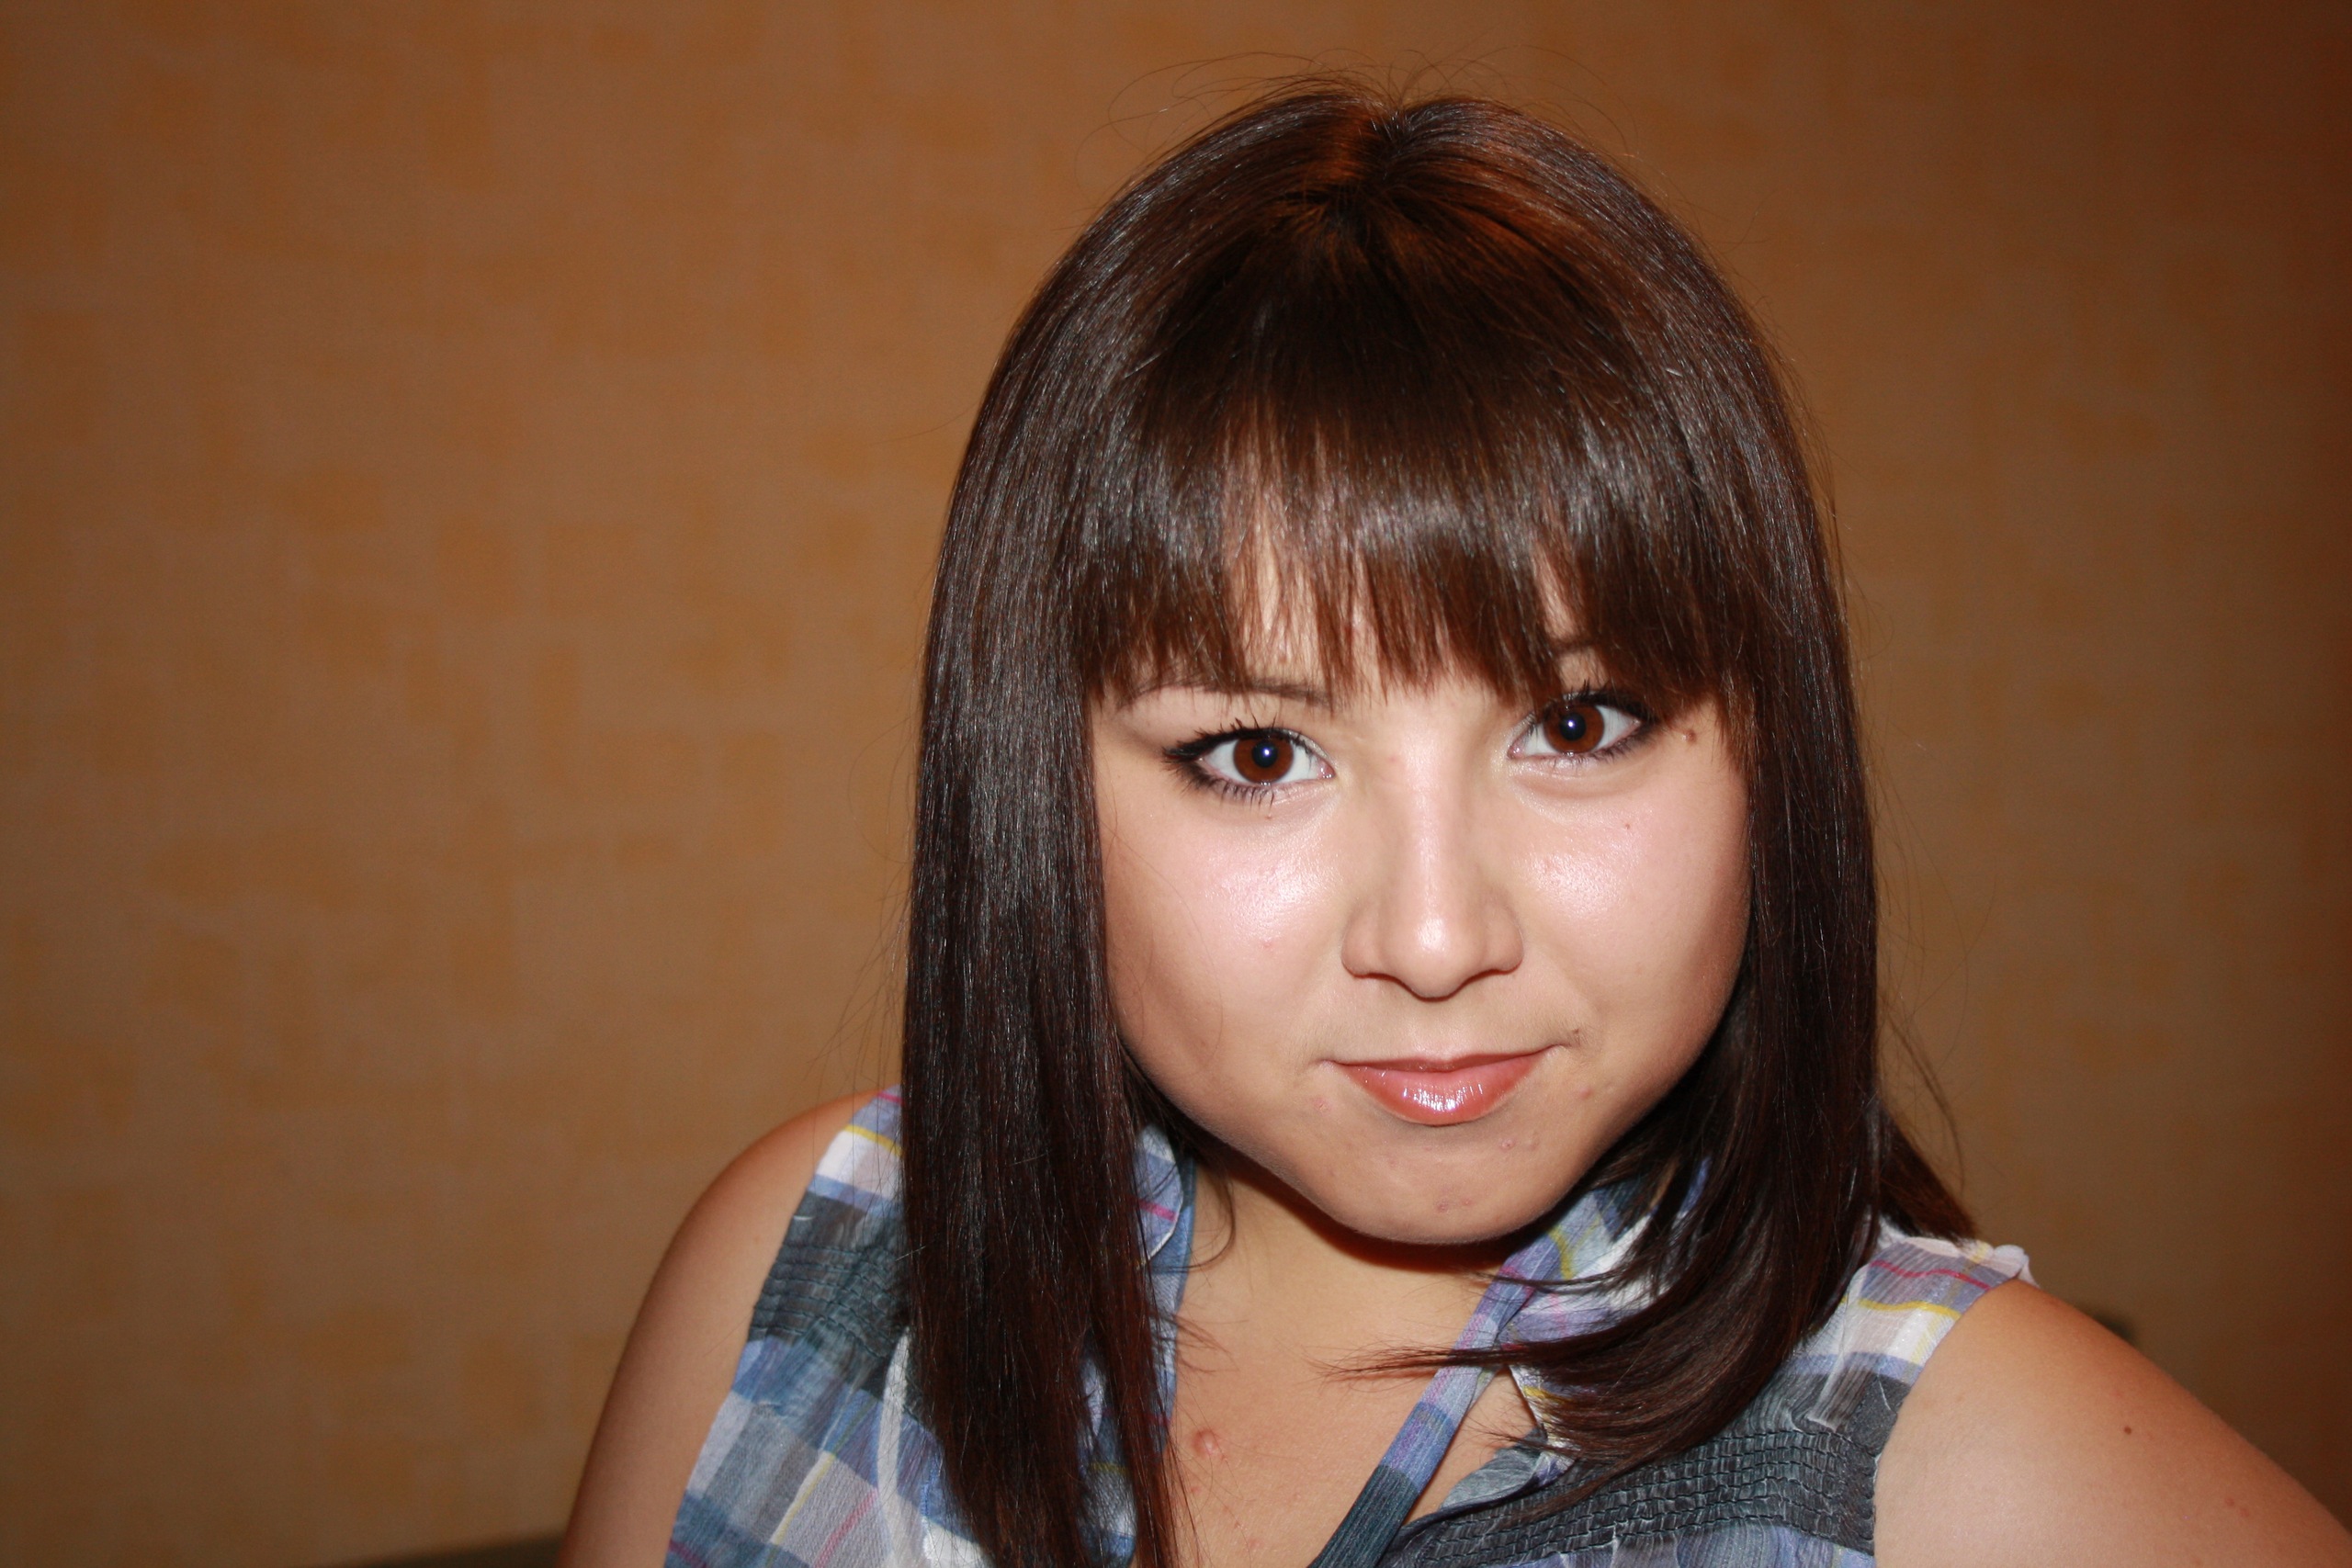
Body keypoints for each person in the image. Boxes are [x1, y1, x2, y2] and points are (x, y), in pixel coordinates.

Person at [559, 82, 2351, 1568]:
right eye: (1258, 751)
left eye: (1575, 725)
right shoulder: (801, 1270)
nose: (1434, 938)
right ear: (1036, 785)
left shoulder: (1976, 1477)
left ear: (1771, 759)